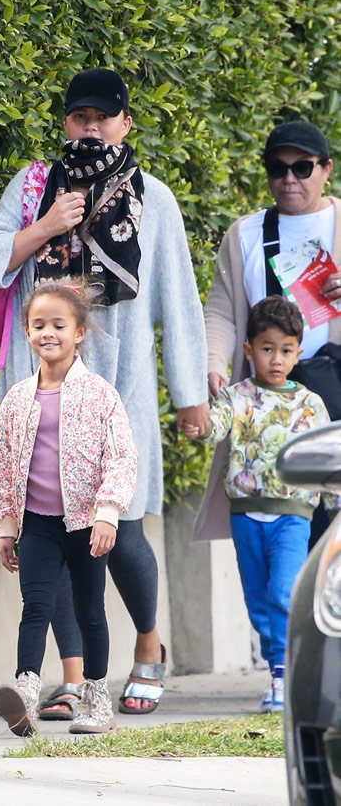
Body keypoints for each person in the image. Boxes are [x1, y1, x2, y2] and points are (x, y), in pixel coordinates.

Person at [0, 67, 209, 716]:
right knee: (57, 532)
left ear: (126, 122)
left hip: (115, 394)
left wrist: (190, 395)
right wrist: (46, 224)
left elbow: (179, 301)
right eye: (80, 116)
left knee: (120, 530)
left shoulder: (152, 198)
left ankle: (150, 647)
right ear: (67, 123)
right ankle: (72, 683)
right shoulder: (36, 185)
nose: (92, 126)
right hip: (43, 396)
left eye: (104, 116)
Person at [0, 279, 137, 735]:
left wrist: (107, 513)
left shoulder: (100, 395)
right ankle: (26, 694)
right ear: (28, 334)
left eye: (58, 324)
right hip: (37, 524)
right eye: (37, 325)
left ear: (79, 332)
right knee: (35, 606)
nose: (47, 333)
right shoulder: (16, 398)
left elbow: (122, 457)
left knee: (90, 608)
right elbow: (2, 462)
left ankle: (96, 701)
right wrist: (7, 528)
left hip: (85, 525)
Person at [184, 296, 339, 712]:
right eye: (267, 348)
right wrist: (196, 422)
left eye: (286, 350)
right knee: (258, 601)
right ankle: (278, 668)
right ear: (249, 350)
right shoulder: (236, 397)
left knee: (282, 593)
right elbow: (213, 428)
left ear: (298, 352)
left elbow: (326, 457)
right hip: (246, 516)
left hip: (293, 516)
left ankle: (285, 675)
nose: (276, 359)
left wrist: (335, 503)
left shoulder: (310, 404)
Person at [198, 120, 340, 548]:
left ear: (326, 169)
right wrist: (212, 365)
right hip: (269, 404)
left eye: (303, 167)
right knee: (283, 526)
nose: (290, 179)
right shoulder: (245, 233)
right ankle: (289, 611)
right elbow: (221, 310)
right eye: (278, 168)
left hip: (334, 392)